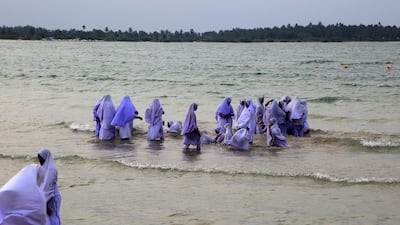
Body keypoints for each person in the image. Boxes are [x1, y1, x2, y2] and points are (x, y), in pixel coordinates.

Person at [38, 148, 61, 225]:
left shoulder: (51, 170)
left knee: (53, 216)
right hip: (46, 198)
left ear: (46, 158)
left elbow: (48, 187)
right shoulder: (44, 168)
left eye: (41, 159)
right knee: (48, 218)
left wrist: (45, 204)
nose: (40, 161)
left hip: (52, 197)